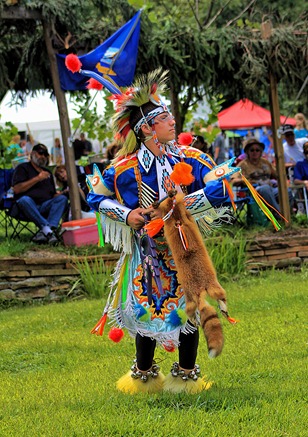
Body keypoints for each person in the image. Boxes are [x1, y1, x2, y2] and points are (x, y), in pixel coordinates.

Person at [87, 70, 240, 394]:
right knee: (146, 312)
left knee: (190, 311)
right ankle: (143, 375)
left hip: (184, 253)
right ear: (146, 128)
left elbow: (221, 184)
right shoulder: (124, 167)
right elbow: (94, 195)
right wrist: (127, 214)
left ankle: (186, 376)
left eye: (170, 116)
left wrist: (176, 210)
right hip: (146, 256)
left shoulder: (193, 158)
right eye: (165, 117)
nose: (173, 122)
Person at [12, 144, 68, 244]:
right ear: (32, 154)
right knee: (24, 199)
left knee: (62, 199)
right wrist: (38, 178)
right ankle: (49, 230)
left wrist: (63, 194)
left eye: (45, 154)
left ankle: (46, 232)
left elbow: (52, 195)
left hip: (45, 206)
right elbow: (17, 190)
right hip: (27, 207)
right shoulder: (22, 168)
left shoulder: (47, 172)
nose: (43, 156)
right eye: (40, 153)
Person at [231, 138, 293, 218]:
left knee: (288, 191)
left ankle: (287, 214)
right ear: (247, 152)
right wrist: (245, 180)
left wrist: (284, 180)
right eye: (252, 150)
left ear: (261, 152)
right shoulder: (243, 165)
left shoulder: (265, 162)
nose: (255, 152)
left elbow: (277, 175)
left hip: (271, 188)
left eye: (257, 150)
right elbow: (233, 180)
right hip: (254, 191)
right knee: (265, 189)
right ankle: (279, 215)